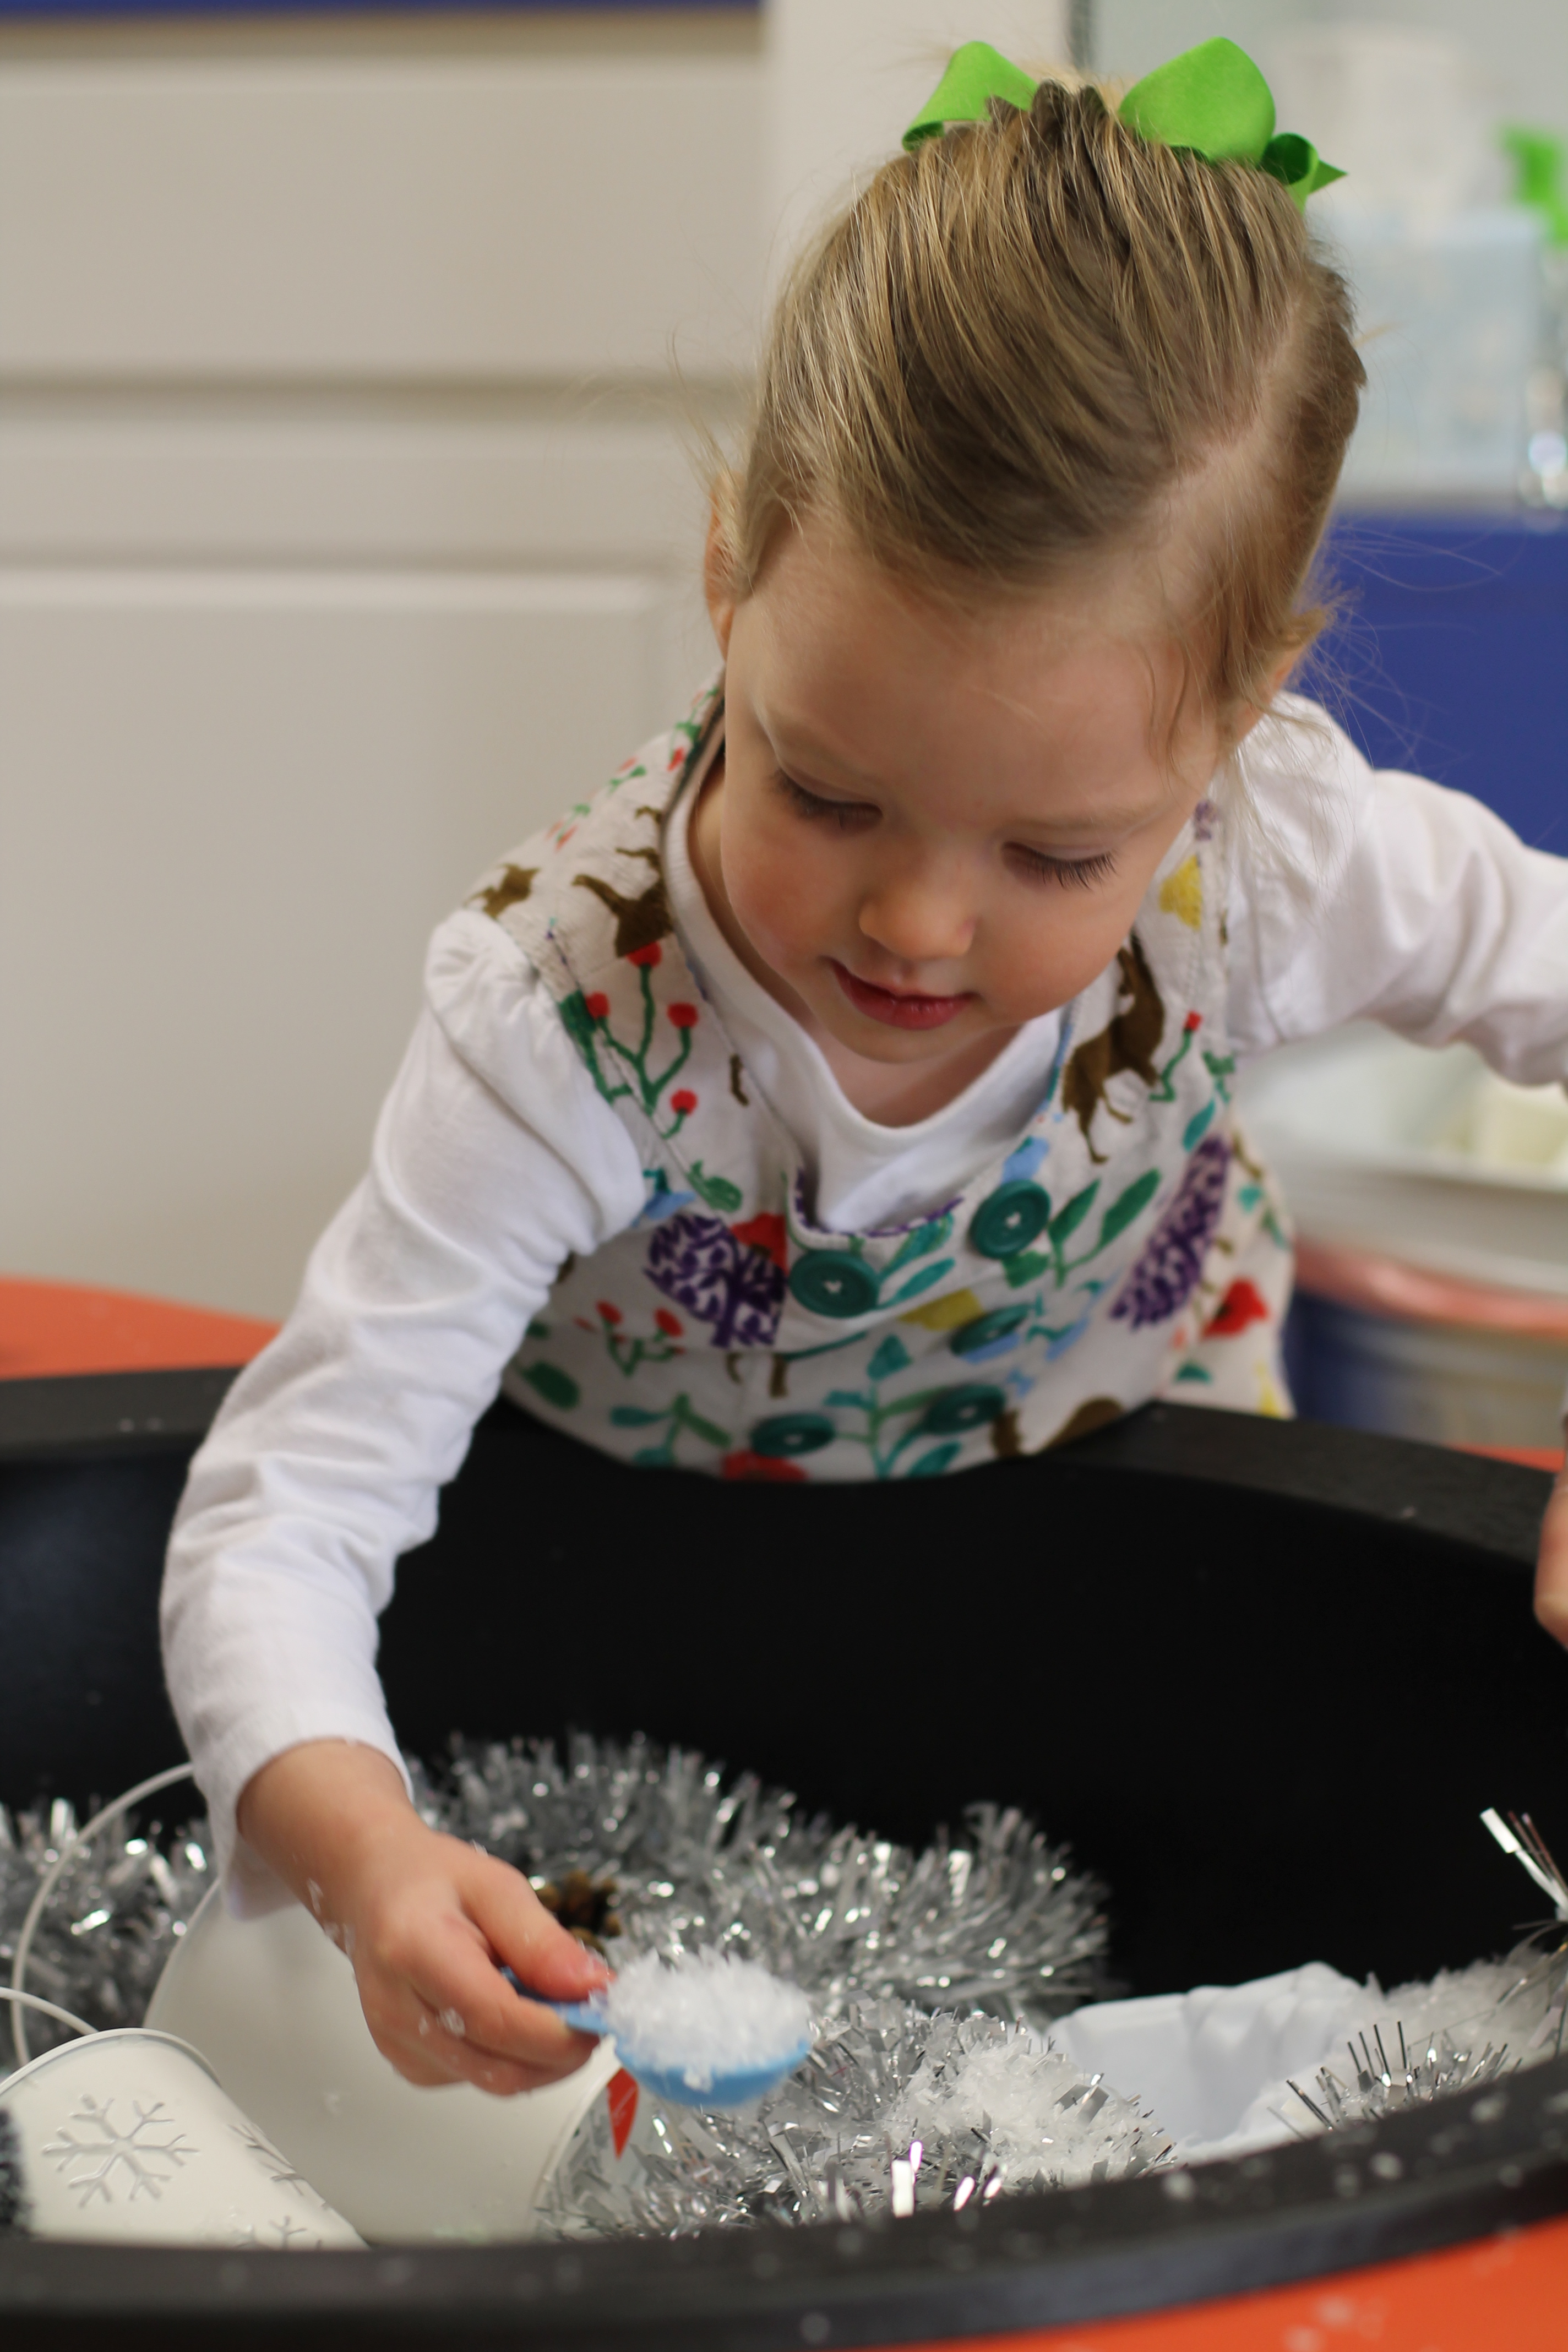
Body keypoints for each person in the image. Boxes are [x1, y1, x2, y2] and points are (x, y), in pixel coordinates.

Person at [162, 38, 1568, 2100]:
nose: (915, 923)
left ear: (1238, 714)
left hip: (1159, 1545)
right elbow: (283, 1514)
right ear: (728, 574)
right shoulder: (561, 1017)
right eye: (825, 792)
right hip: (655, 1601)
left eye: (1058, 856)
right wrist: (362, 1854)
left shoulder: (1275, 853)